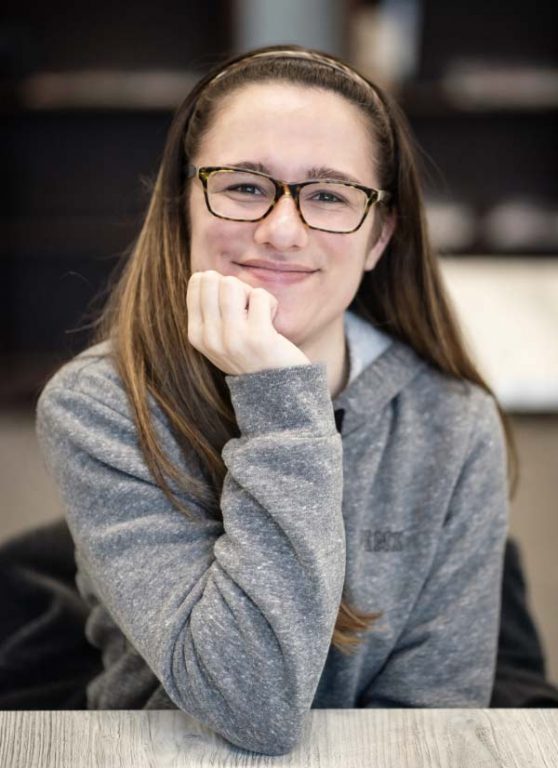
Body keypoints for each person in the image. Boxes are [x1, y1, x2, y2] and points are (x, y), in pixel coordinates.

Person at [36, 45, 512, 755]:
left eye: (328, 195)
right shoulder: (101, 405)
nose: (281, 230)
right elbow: (249, 705)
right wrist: (281, 401)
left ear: (379, 235)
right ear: (182, 206)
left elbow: (431, 724)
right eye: (244, 185)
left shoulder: (451, 421)